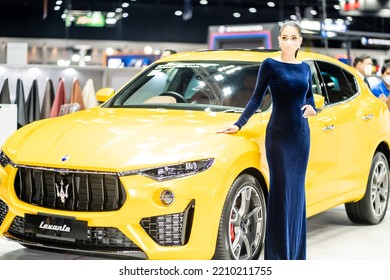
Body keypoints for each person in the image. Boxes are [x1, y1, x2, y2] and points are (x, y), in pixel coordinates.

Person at [217, 21, 317, 260]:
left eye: (294, 38)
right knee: (281, 192)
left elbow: (310, 98)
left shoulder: (305, 68)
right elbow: (255, 99)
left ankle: (295, 255)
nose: (289, 41)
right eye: (285, 37)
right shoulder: (270, 64)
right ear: (278, 40)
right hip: (279, 137)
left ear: (300, 41)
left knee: (297, 194)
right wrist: (239, 123)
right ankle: (279, 256)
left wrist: (313, 109)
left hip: (301, 137)